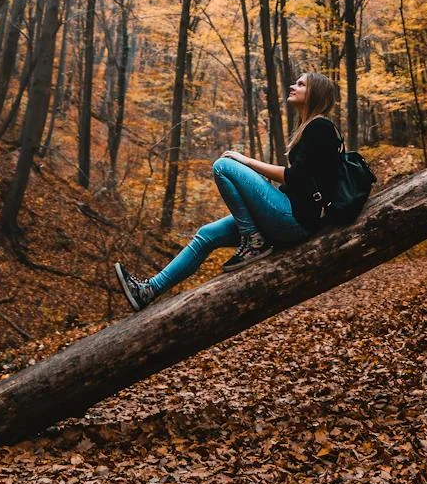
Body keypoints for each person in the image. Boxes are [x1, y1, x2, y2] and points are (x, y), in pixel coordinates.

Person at [114, 71, 347, 311]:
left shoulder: (320, 127)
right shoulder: (311, 127)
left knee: (224, 165)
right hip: (289, 214)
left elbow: (296, 177)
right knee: (207, 235)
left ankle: (253, 240)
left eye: (300, 84)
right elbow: (303, 179)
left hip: (295, 219)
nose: (292, 86)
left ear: (315, 93)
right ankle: (148, 291)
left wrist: (246, 161)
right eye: (295, 81)